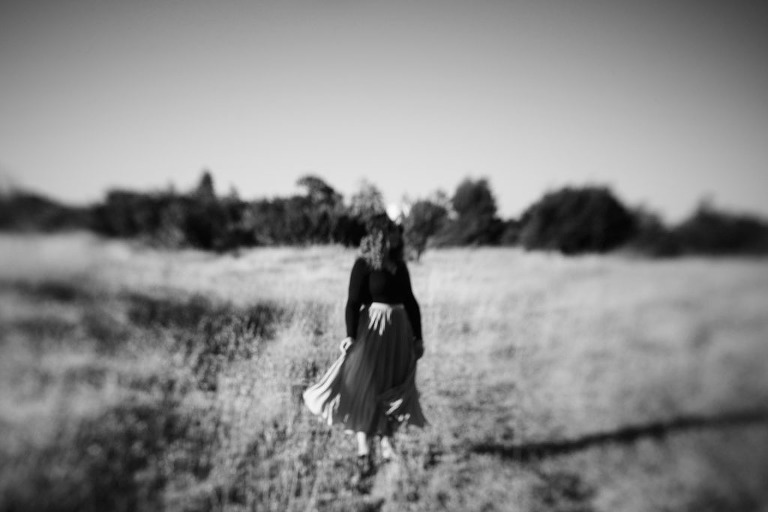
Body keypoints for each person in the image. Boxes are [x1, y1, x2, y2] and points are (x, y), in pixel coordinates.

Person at [303, 213, 427, 479]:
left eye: (398, 231)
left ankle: (387, 444)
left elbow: (411, 302)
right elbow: (352, 303)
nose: (398, 235)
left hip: (398, 333)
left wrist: (418, 337)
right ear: (380, 235)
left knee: (392, 386)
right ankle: (363, 449)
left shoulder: (399, 266)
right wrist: (349, 336)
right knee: (366, 386)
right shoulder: (364, 265)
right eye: (393, 230)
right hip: (371, 331)